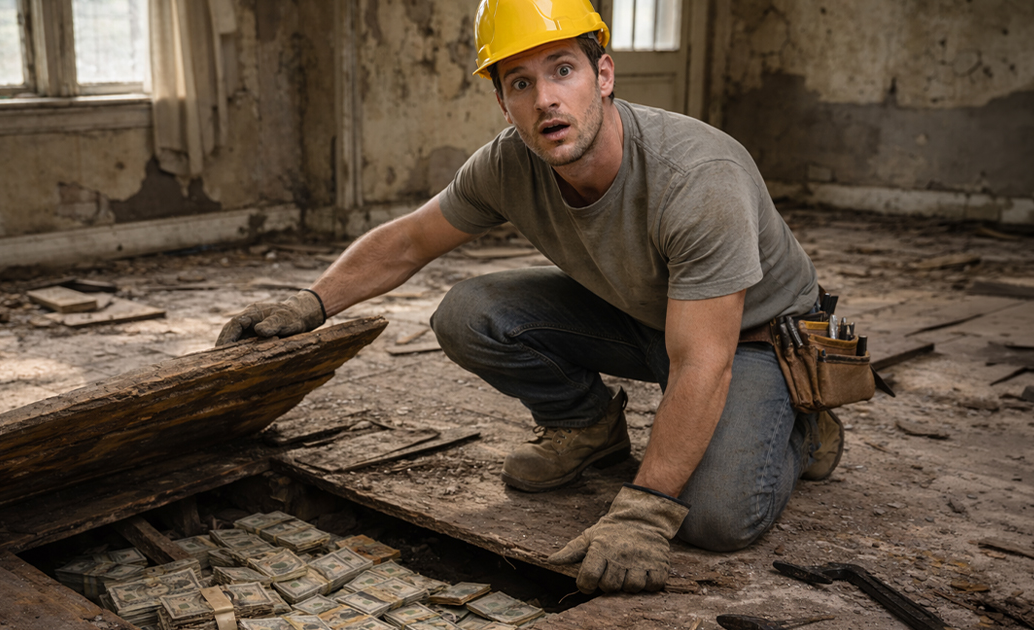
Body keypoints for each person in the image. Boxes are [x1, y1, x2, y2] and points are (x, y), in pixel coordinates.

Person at [216, 0, 839, 596]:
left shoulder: (697, 179)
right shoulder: (509, 163)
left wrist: (644, 513)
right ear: (502, 102)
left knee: (713, 520)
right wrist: (309, 304)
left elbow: (704, 361)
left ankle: (803, 426)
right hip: (643, 315)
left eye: (562, 70)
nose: (545, 99)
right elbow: (408, 240)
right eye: (519, 82)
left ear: (603, 74)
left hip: (752, 338)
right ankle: (586, 427)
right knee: (472, 313)